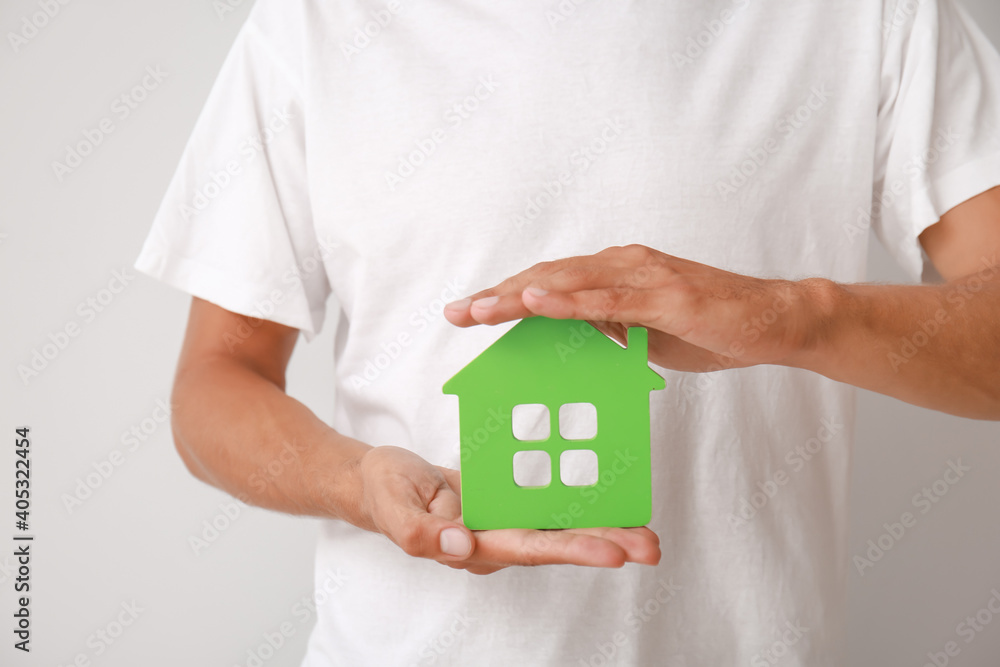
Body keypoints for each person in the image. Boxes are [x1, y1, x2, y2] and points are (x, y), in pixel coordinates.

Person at [135, 0, 1000, 664]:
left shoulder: (870, 14)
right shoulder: (315, 24)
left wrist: (791, 314)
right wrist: (359, 482)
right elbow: (215, 381)